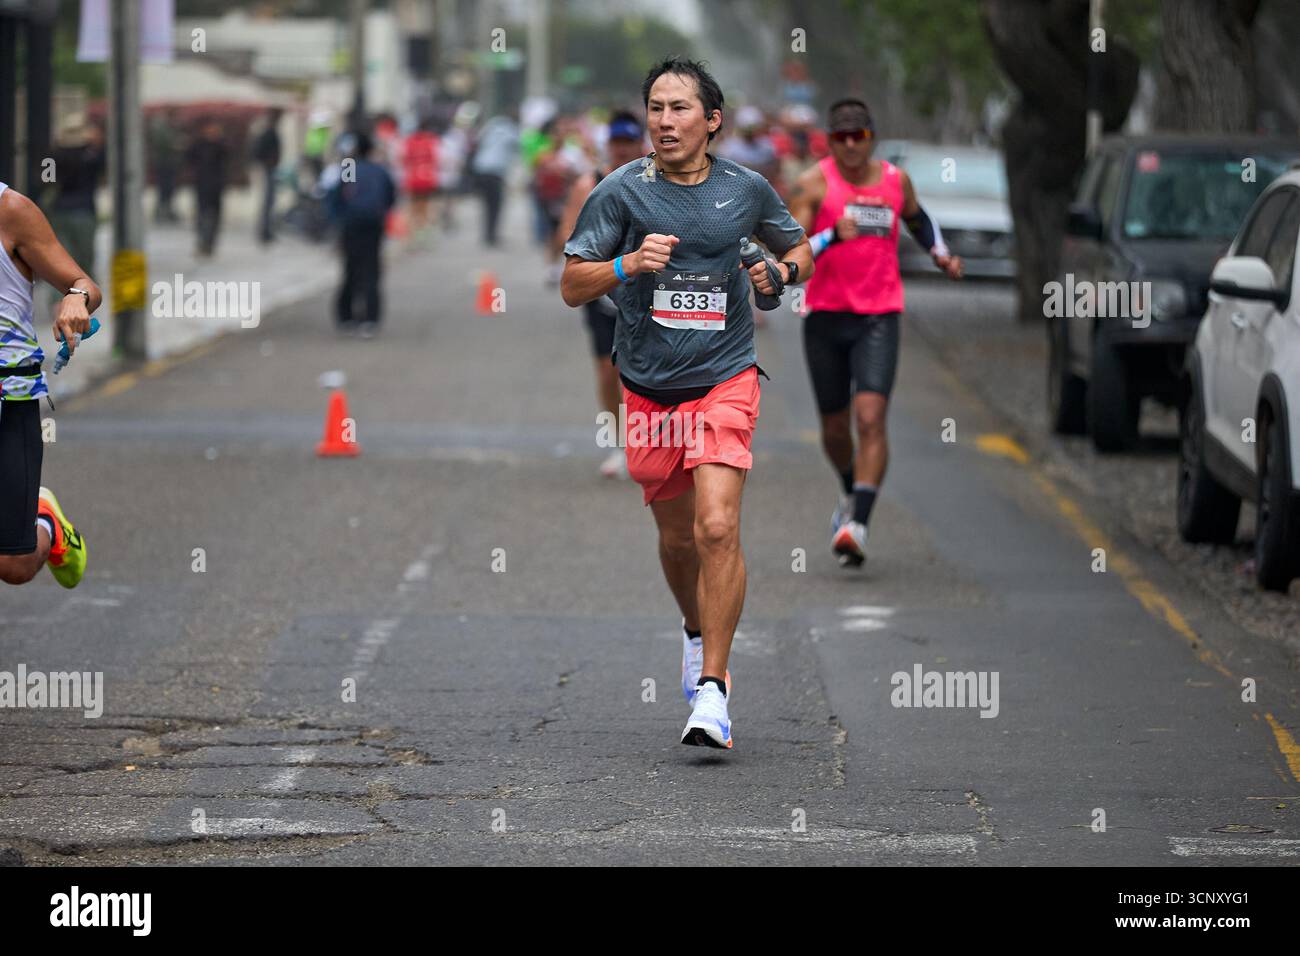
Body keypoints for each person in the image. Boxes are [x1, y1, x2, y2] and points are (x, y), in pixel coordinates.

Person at [561, 57, 813, 750]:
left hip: (725, 378)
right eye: (656, 108)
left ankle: (714, 688)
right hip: (647, 389)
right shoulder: (619, 191)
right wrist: (625, 266)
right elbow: (572, 285)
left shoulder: (747, 188)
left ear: (712, 119)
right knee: (676, 540)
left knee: (716, 528)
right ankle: (694, 627)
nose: (665, 121)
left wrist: (780, 271)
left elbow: (800, 248)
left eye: (679, 108)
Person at [786, 98, 962, 567]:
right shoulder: (813, 184)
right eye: (840, 138)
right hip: (825, 316)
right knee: (835, 429)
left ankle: (858, 524)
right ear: (829, 140)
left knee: (870, 418)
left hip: (878, 316)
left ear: (871, 137)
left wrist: (940, 254)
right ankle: (849, 491)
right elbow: (793, 252)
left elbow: (918, 219)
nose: (849, 147)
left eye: (857, 137)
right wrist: (829, 237)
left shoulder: (893, 181)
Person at [0, 181, 99, 589]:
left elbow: (84, 284)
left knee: (14, 566)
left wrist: (75, 299)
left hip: (10, 397)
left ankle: (47, 523)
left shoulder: (11, 210)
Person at [554, 110, 647, 479]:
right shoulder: (588, 184)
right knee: (609, 376)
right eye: (617, 143)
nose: (622, 149)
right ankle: (618, 446)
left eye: (629, 142)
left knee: (644, 373)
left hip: (647, 295)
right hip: (602, 293)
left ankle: (653, 444)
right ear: (607, 144)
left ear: (641, 143)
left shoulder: (655, 181)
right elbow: (569, 234)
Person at [327, 132, 397, 338]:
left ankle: (346, 317)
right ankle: (370, 319)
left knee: (350, 268)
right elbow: (390, 197)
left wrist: (338, 219)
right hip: (373, 225)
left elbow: (340, 195)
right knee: (372, 270)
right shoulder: (379, 170)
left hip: (351, 225)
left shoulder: (350, 167)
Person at [46, 115, 104, 282]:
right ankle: (83, 294)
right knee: (85, 259)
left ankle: (58, 300)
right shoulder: (90, 155)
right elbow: (103, 166)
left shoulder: (54, 156)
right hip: (84, 210)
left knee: (61, 258)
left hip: (60, 210)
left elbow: (45, 180)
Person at [470, 112, 520, 248]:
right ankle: (491, 235)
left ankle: (487, 234)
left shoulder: (492, 125)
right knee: (495, 205)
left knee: (486, 204)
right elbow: (518, 148)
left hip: (481, 168)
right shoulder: (511, 130)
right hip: (495, 172)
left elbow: (477, 141)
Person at [186, 119, 229, 257]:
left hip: (216, 187)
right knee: (202, 215)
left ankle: (210, 243)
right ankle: (202, 243)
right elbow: (188, 159)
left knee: (215, 216)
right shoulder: (199, 145)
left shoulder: (220, 146)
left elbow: (228, 161)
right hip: (202, 185)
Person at [401, 118, 440, 241]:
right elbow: (436, 159)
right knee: (425, 207)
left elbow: (404, 159)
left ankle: (412, 235)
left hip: (413, 178)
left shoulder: (409, 141)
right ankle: (423, 234)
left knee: (413, 207)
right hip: (427, 178)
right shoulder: (431, 141)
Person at [251, 107, 283, 244]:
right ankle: (265, 232)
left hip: (271, 170)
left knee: (269, 202)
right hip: (269, 170)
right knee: (268, 202)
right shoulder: (268, 133)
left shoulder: (270, 132)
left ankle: (266, 231)